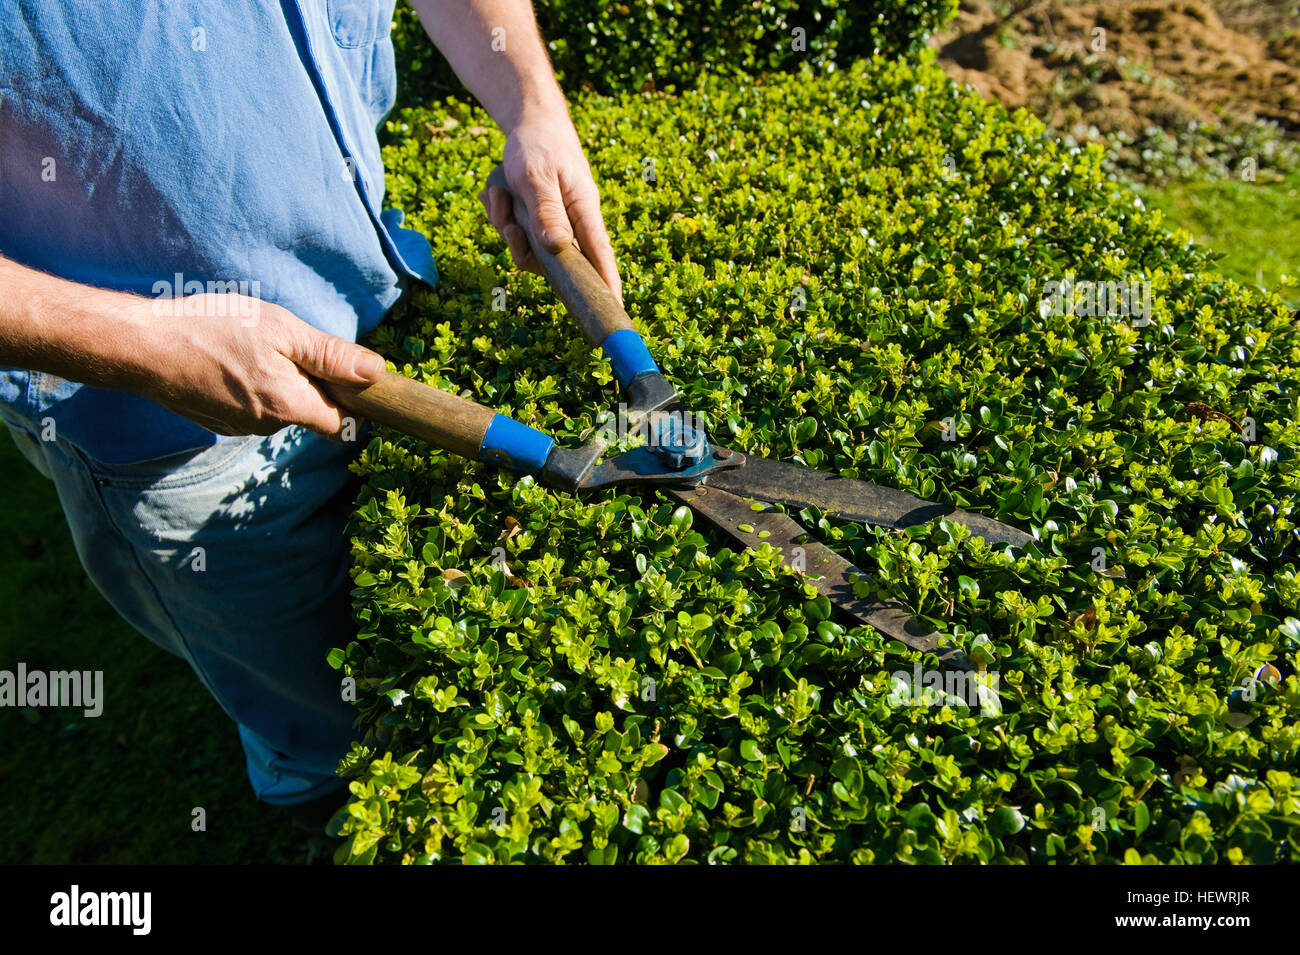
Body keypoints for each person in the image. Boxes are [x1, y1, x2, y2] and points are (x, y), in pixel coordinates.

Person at [0, 0, 620, 813]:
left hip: (375, 286)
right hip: (174, 421)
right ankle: (315, 789)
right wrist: (149, 341)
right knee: (325, 724)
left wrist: (532, 104)